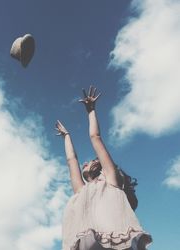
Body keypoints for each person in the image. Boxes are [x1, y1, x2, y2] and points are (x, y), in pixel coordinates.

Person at [55, 86, 152, 250]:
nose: (84, 164)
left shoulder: (111, 180)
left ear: (100, 167)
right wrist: (67, 136)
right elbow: (72, 160)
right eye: (85, 164)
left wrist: (91, 111)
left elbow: (95, 137)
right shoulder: (81, 192)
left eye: (90, 162)